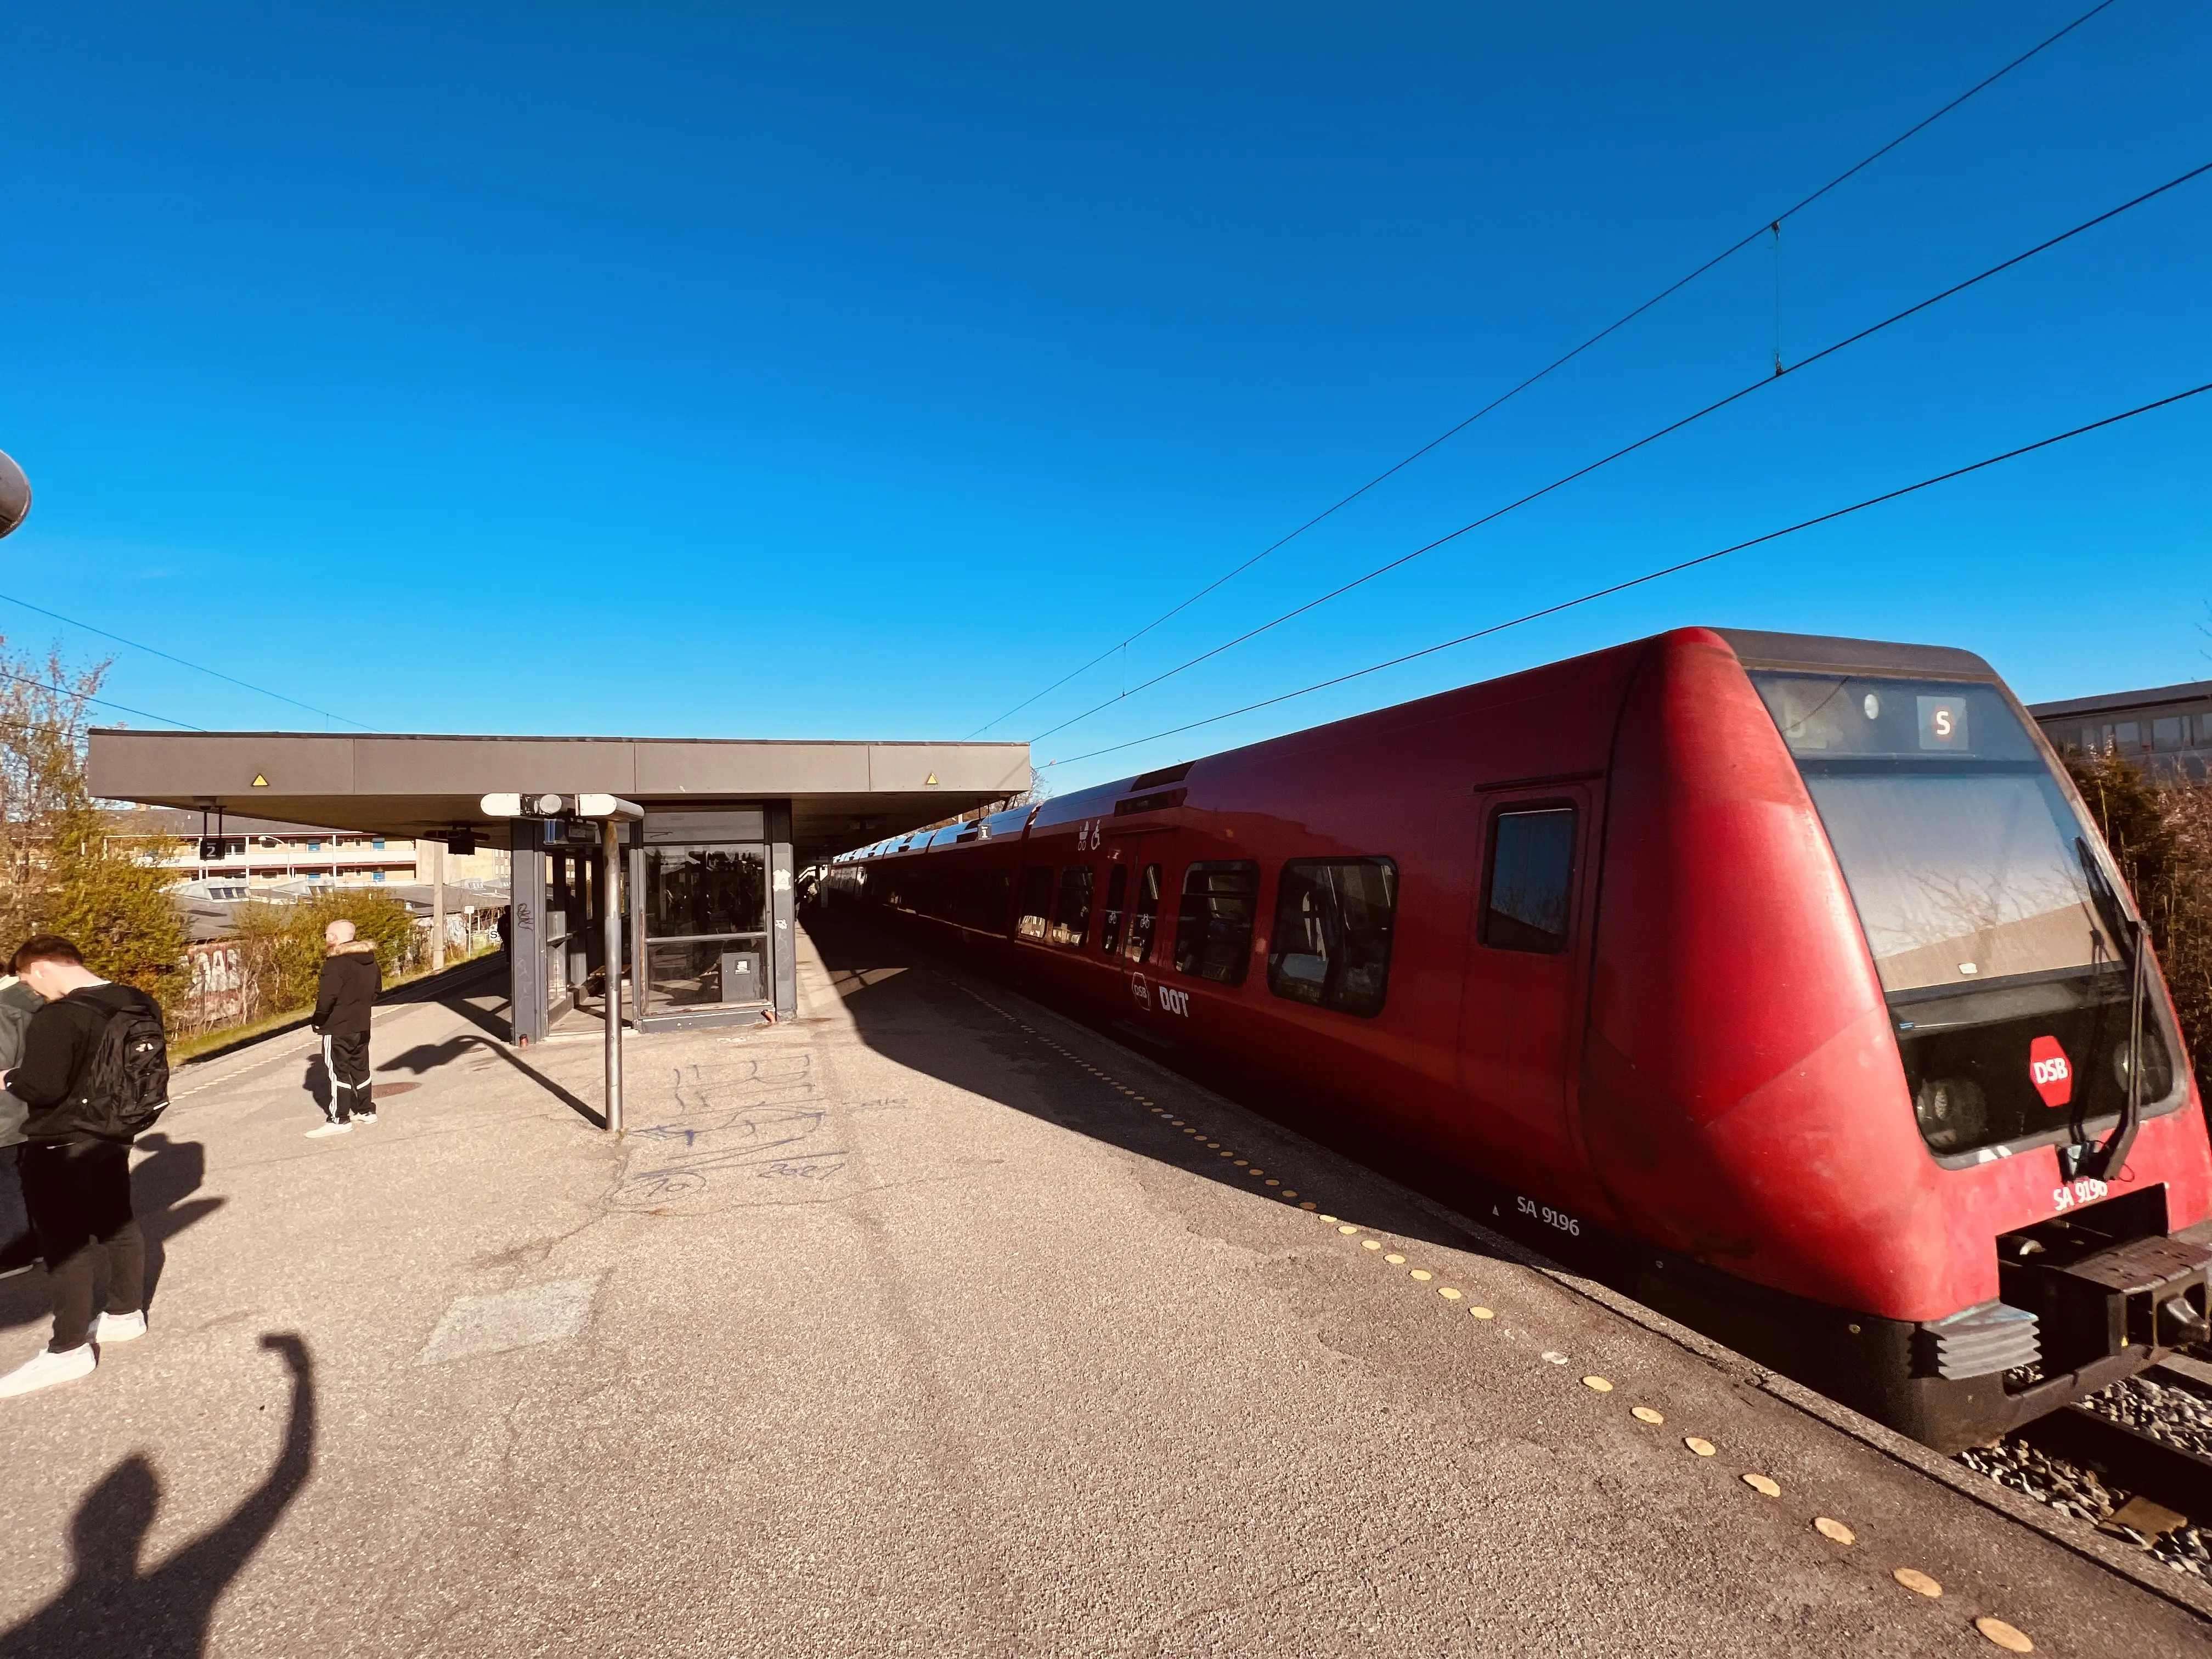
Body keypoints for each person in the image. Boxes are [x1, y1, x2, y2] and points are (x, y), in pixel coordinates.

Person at [0, 935, 167, 1398]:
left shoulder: (61, 1015)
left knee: (65, 1245)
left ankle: (68, 1349)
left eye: (32, 983)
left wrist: (9, 1078)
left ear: (41, 969)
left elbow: (43, 1087)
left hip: (60, 1139)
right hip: (115, 1129)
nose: (37, 993)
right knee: (117, 1221)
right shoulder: (136, 1000)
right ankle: (124, 1313)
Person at [308, 919, 380, 1137]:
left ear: (333, 937)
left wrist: (318, 1020)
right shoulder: (370, 960)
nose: (325, 939)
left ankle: (339, 1119)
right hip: (362, 1025)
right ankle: (366, 1110)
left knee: (337, 1071)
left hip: (337, 1027)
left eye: (326, 934)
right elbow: (377, 991)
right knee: (360, 1068)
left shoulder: (335, 964)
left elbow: (326, 999)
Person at [0, 970, 44, 1277]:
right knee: (30, 1179)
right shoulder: (34, 997)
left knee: (7, 1184)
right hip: (33, 1105)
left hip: (5, 1109)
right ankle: (42, 1243)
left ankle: (16, 1253)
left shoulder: (3, 1008)